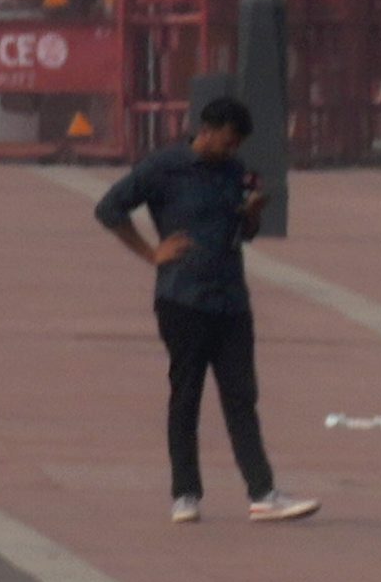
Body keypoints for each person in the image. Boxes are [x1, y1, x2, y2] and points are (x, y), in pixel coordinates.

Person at [94, 93, 319, 525]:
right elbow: (109, 208)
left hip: (231, 300)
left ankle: (262, 492)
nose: (231, 151)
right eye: (227, 141)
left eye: (237, 145)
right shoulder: (165, 168)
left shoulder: (234, 172)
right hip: (183, 299)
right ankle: (185, 494)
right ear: (207, 130)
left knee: (240, 396)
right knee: (186, 394)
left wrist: (251, 216)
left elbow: (240, 232)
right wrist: (150, 252)